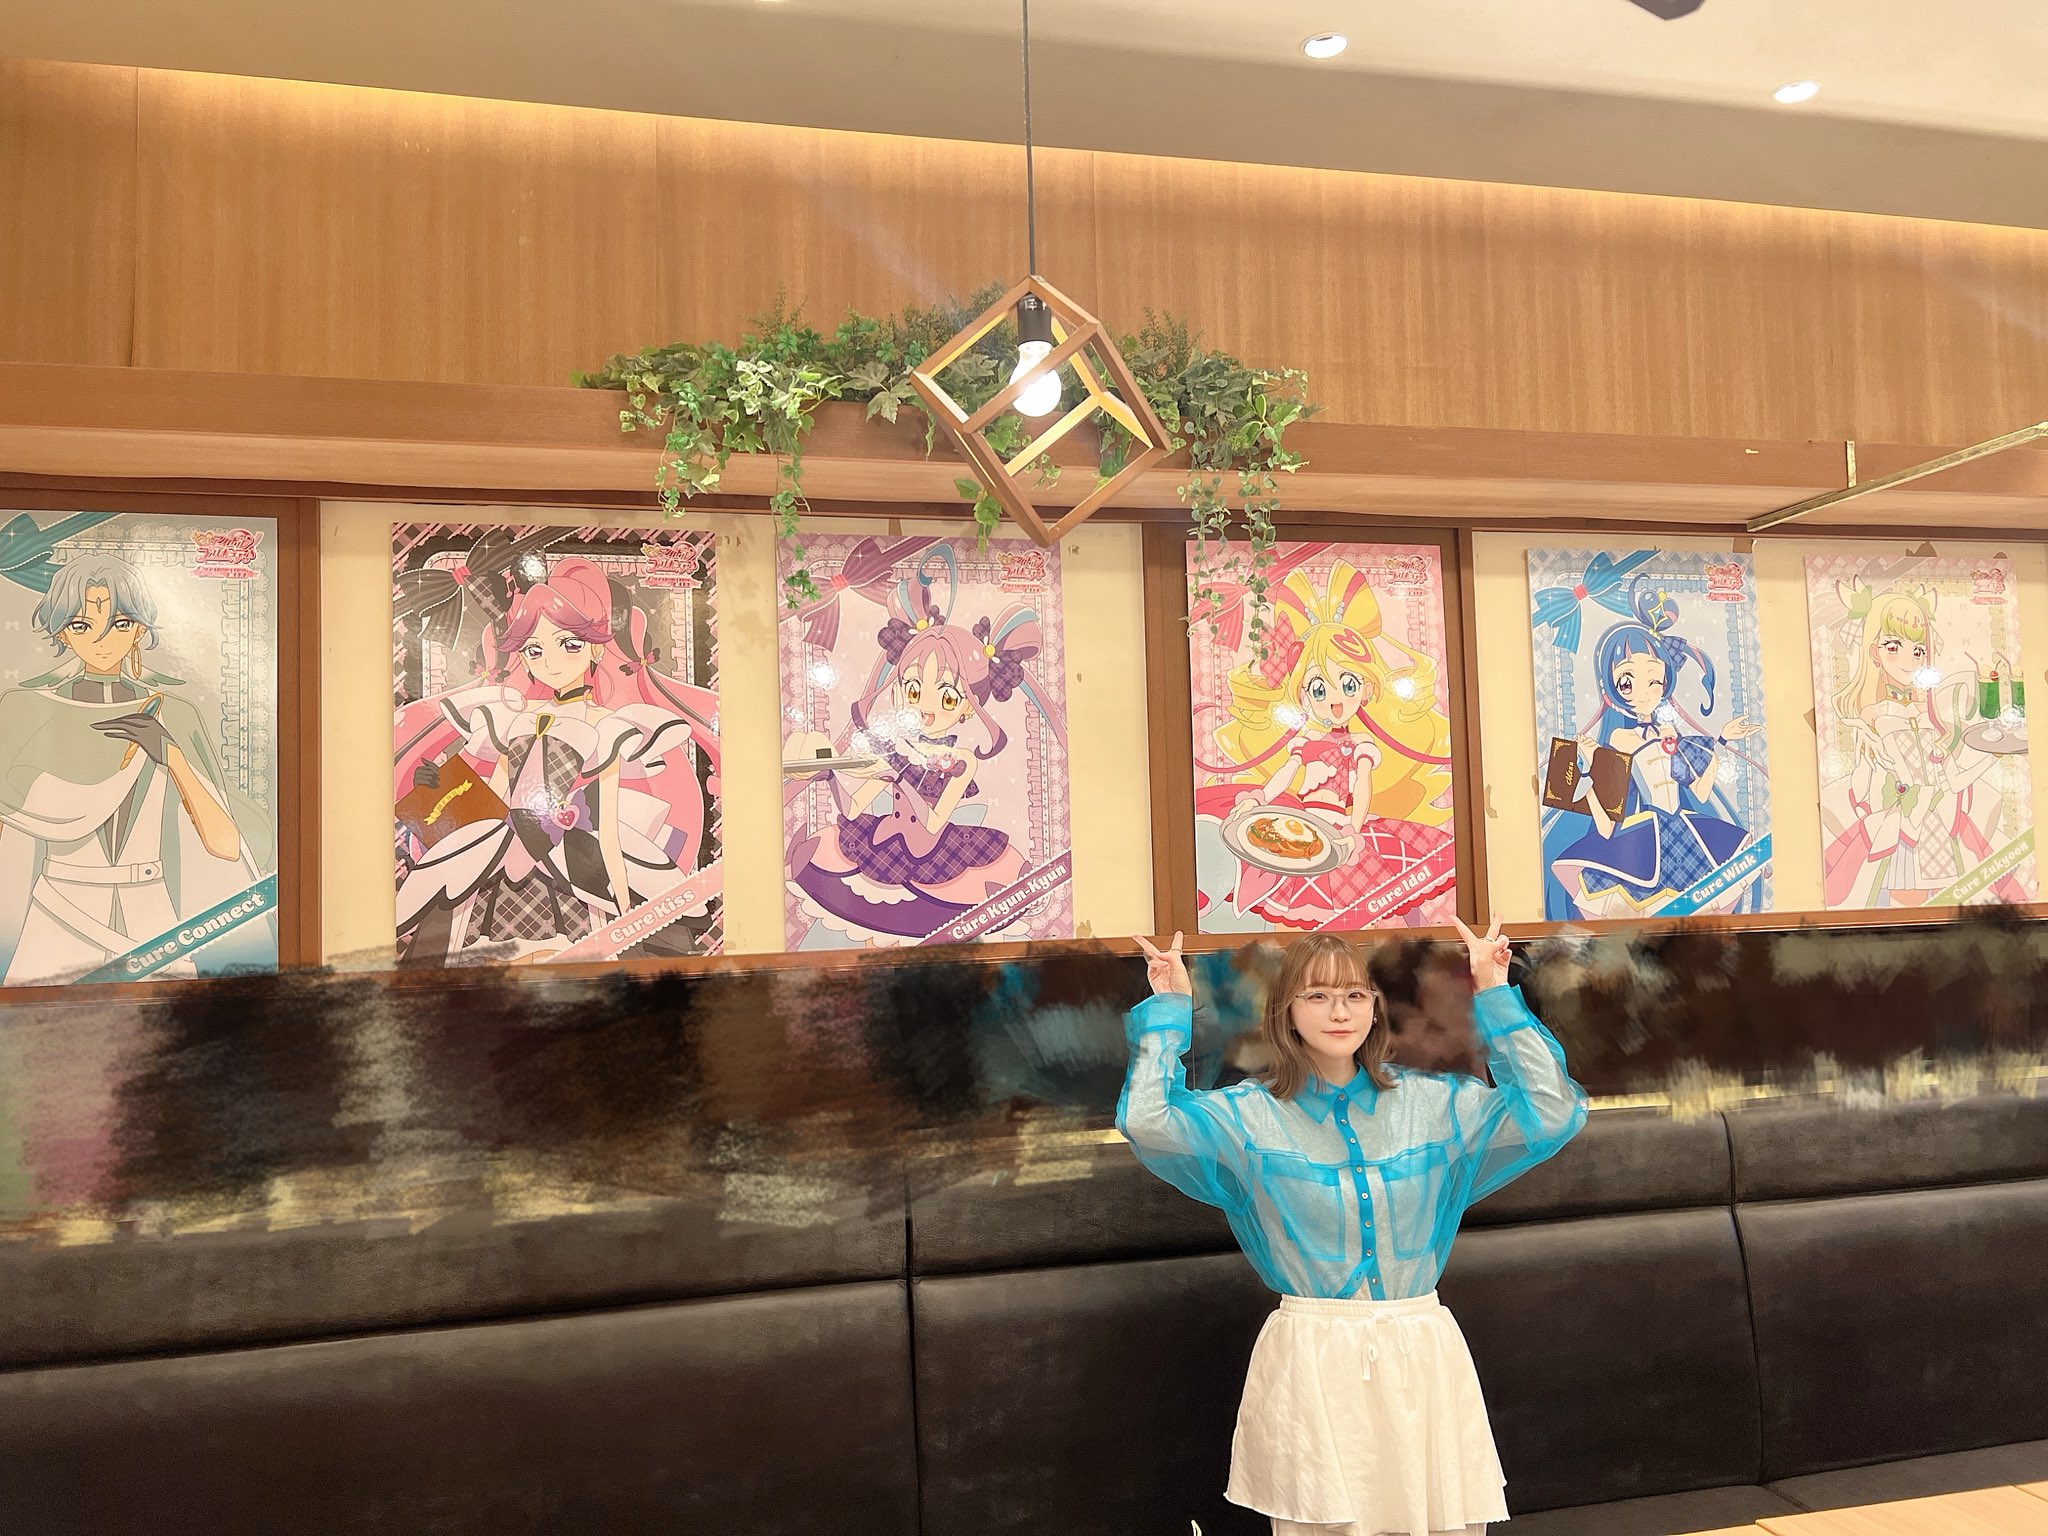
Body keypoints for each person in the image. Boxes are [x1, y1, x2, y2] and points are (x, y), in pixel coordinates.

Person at [1120, 922, 1587, 1536]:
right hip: (1313, 1352)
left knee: (1440, 1521)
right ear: (1286, 1012)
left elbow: (1552, 1111)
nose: (1339, 1011)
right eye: (1317, 996)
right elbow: (1147, 1121)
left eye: (1354, 995)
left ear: (1374, 1007)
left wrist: (1495, 991)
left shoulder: (1434, 1103)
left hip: (1420, 1347)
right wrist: (1169, 1009)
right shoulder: (1249, 1114)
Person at [0, 553, 274, 985]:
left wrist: (171, 755)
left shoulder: (174, 712)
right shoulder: (24, 710)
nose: (102, 640)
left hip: (153, 920)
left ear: (141, 629)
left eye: (120, 623)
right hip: (56, 915)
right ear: (62, 632)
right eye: (81, 625)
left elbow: (224, 844)